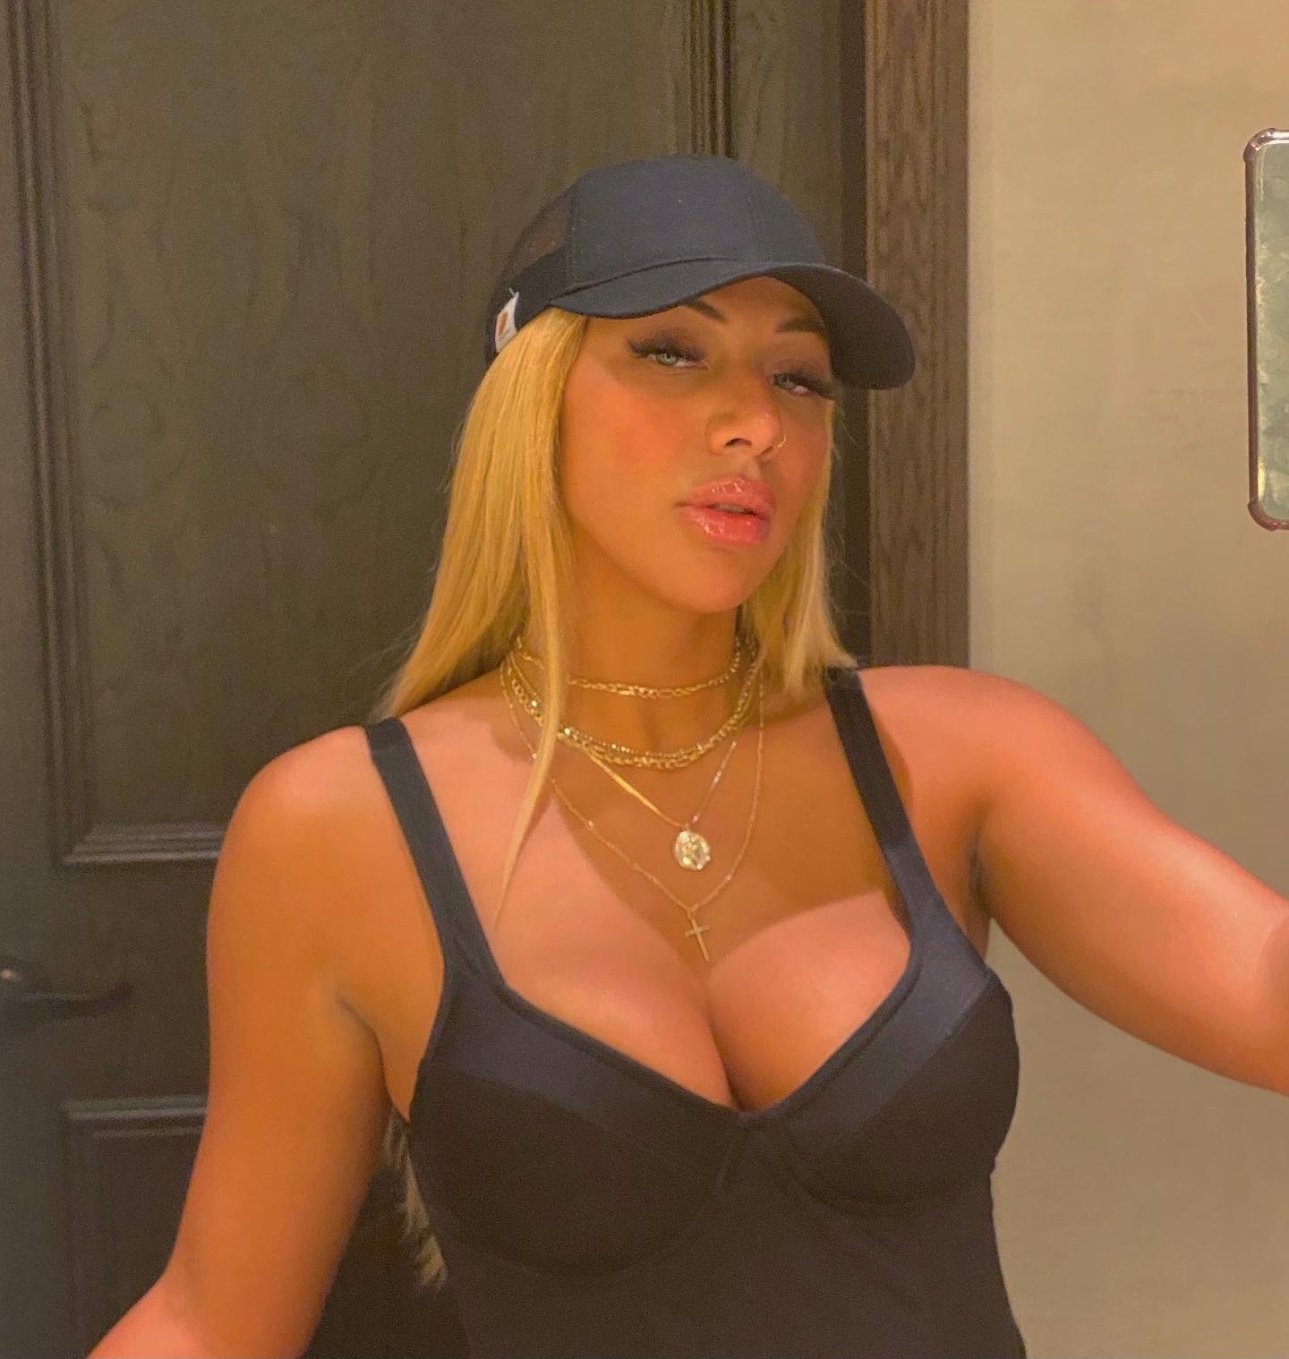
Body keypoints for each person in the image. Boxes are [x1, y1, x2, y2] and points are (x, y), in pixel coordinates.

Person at [90, 155, 1289, 1359]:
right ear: (530, 394)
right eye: (672, 351)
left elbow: (1263, 989)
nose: (756, 424)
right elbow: (210, 1321)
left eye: (798, 377)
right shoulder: (339, 826)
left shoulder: (957, 753)